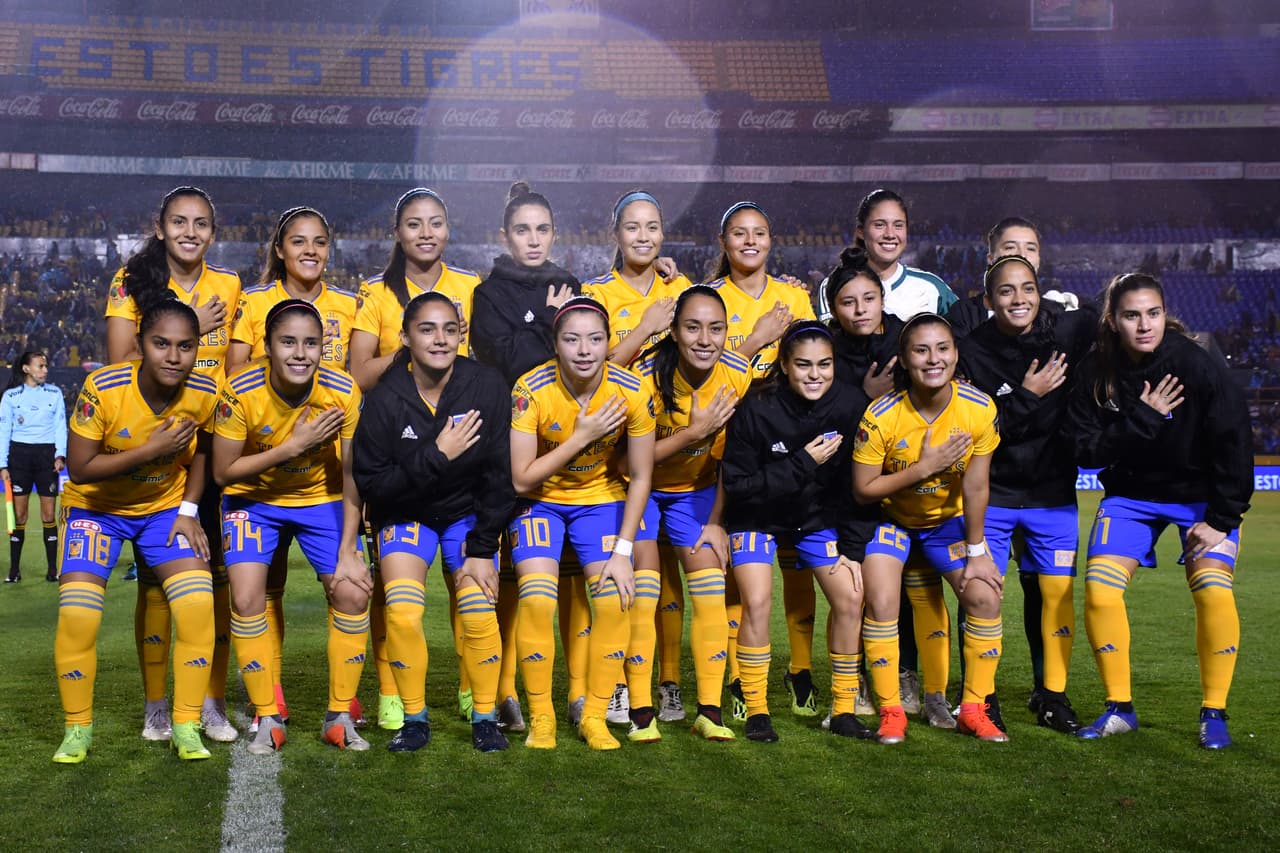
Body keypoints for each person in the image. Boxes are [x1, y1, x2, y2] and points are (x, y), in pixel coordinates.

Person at [1068, 273, 1251, 749]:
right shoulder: (1095, 371)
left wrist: (1221, 520)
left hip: (1200, 499)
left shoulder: (1196, 363)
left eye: (1153, 313)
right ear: (1113, 320)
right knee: (1100, 592)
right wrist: (1143, 418)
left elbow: (1235, 440)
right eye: (1132, 315)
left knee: (1213, 591)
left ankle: (1214, 712)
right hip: (1131, 497)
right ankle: (1120, 709)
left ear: (1165, 314)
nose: (1144, 325)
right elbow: (1084, 451)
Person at [103, 185, 241, 744]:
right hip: (158, 449)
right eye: (179, 222)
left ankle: (212, 700)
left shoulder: (229, 284)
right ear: (160, 228)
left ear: (213, 232)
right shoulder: (130, 281)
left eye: (201, 223)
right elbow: (118, 362)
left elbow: (237, 367)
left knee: (219, 581)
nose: (190, 232)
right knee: (158, 586)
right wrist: (193, 327)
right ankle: (157, 705)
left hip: (214, 448)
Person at [52, 300, 218, 764]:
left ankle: (185, 726)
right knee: (78, 615)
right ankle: (77, 729)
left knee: (198, 605)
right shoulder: (103, 388)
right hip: (95, 509)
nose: (173, 356)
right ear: (141, 344)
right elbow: (80, 468)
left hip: (163, 510)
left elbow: (204, 452)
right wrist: (151, 449)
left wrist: (189, 509)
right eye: (161, 343)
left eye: (185, 346)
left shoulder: (206, 390)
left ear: (197, 348)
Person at [351, 292, 515, 752]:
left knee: (479, 609)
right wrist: (438, 454)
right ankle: (415, 720)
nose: (440, 339)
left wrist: (482, 548)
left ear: (462, 334)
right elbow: (374, 486)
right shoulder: (385, 398)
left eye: (449, 329)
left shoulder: (486, 385)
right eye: (427, 329)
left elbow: (500, 476)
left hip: (467, 516)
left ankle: (485, 719)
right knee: (403, 613)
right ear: (405, 337)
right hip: (407, 514)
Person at [348, 187, 483, 730]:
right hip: (399, 449)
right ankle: (391, 690)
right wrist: (416, 347)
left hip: (462, 447)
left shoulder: (471, 286)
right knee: (393, 588)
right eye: (413, 223)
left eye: (435, 223)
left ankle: (473, 688)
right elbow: (359, 373)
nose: (426, 233)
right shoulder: (375, 292)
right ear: (397, 233)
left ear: (448, 229)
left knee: (466, 582)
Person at [213, 299, 369, 754]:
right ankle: (268, 716)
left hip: (321, 500)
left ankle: (339, 716)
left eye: (311, 343)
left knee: (352, 591)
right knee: (246, 597)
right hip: (253, 501)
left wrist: (349, 548)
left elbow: (352, 474)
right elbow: (223, 473)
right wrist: (292, 446)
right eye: (288, 342)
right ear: (267, 346)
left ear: (324, 346)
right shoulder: (239, 390)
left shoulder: (343, 390)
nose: (300, 353)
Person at [228, 206, 360, 729]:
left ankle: (343, 700)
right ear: (279, 249)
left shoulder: (348, 308)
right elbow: (237, 379)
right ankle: (270, 695)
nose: (310, 250)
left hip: (321, 485)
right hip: (257, 482)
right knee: (260, 589)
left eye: (320, 241)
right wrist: (287, 438)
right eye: (298, 241)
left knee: (352, 586)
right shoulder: (254, 305)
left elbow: (349, 381)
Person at [957, 255, 1098, 734]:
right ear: (988, 299)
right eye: (1006, 291)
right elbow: (977, 430)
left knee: (1056, 597)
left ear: (1041, 293)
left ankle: (1053, 696)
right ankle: (981, 699)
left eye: (1028, 289)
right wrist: (1026, 395)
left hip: (1052, 495)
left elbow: (1112, 316)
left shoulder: (1065, 334)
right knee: (981, 595)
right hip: (991, 495)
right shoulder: (971, 350)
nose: (1019, 299)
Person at [721, 320, 879, 743]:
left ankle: (843, 710)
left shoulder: (851, 403)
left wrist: (852, 548)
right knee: (757, 601)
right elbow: (738, 486)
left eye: (824, 364)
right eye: (804, 365)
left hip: (816, 520)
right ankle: (757, 710)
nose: (815, 374)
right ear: (785, 366)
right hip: (756, 517)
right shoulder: (757, 406)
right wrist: (802, 463)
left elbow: (858, 486)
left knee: (851, 596)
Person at [508, 296, 655, 750]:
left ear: (609, 342)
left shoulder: (633, 390)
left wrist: (624, 551)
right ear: (556, 345)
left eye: (595, 339)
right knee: (536, 600)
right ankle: (542, 719)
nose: (585, 350)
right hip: (540, 501)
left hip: (601, 500)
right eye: (572, 340)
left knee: (614, 601)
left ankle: (594, 717)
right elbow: (521, 478)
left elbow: (642, 475)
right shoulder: (530, 389)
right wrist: (582, 437)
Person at [852, 313, 1007, 744]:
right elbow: (864, 490)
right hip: (891, 519)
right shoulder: (881, 415)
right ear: (904, 359)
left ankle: (973, 709)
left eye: (942, 348)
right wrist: (924, 467)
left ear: (956, 354)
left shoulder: (979, 408)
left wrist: (977, 551)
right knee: (882, 599)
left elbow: (976, 485)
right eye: (921, 350)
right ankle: (891, 711)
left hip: (946, 523)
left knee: (984, 595)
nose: (933, 359)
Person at [470, 182, 584, 733]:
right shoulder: (488, 294)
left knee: (569, 576)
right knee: (513, 573)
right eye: (522, 230)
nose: (533, 240)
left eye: (542, 230)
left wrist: (540, 325)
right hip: (505, 441)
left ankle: (579, 692)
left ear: (554, 234)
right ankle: (505, 691)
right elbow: (511, 359)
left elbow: (581, 355)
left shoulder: (571, 285)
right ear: (505, 236)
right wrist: (548, 321)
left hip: (564, 438)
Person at [707, 201, 821, 721]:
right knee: (740, 569)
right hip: (728, 443)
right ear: (723, 242)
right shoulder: (710, 298)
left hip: (790, 442)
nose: (749, 241)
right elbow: (706, 373)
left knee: (796, 564)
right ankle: (737, 677)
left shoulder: (794, 297)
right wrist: (756, 344)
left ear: (772, 240)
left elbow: (814, 364)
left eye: (759, 233)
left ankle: (800, 669)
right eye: (739, 233)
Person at [581, 190, 689, 723]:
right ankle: (622, 685)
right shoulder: (596, 293)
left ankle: (667, 683)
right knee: (637, 578)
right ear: (615, 234)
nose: (643, 237)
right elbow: (592, 370)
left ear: (663, 234)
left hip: (677, 447)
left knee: (671, 585)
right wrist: (646, 327)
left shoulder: (682, 289)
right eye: (632, 227)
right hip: (616, 455)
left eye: (651, 227)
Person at [632, 285, 750, 740]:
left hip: (697, 494)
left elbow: (734, 459)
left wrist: (717, 522)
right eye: (693, 327)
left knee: (710, 591)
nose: (705, 339)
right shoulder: (644, 378)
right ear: (675, 332)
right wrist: (691, 434)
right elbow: (625, 464)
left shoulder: (737, 374)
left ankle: (710, 712)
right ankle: (641, 711)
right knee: (644, 592)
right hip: (640, 491)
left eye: (715, 328)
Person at [816, 189, 957, 323]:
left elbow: (964, 331)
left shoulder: (931, 287)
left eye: (898, 225)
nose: (890, 234)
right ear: (861, 231)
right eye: (879, 225)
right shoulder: (834, 286)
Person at [1, 351, 66, 583]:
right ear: (26, 369)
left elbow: (60, 426)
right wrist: (2, 464)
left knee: (48, 515)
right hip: (19, 457)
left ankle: (52, 570)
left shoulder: (55, 393)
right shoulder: (10, 396)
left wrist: (60, 455)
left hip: (46, 457)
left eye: (46, 366)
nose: (45, 370)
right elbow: (3, 432)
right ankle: (14, 571)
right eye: (40, 366)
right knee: (19, 515)